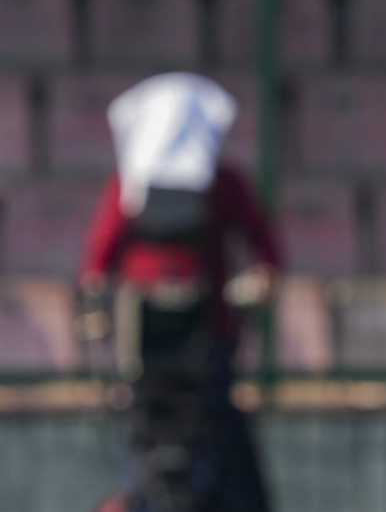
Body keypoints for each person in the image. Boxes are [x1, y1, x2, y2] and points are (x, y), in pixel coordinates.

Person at [80, 73, 282, 512]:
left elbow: (267, 254)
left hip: (207, 343)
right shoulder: (128, 191)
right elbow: (99, 263)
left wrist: (251, 289)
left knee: (211, 441)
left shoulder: (225, 186)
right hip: (147, 351)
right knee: (151, 450)